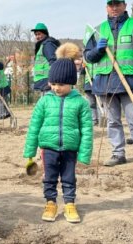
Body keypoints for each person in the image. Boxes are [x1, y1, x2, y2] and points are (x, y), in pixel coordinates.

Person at [23, 43, 93, 223]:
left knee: (69, 178)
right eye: (52, 83)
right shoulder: (44, 102)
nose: (56, 88)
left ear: (71, 82)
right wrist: (30, 151)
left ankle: (69, 204)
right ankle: (51, 202)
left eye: (60, 84)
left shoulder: (81, 103)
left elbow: (87, 129)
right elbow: (34, 127)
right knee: (50, 178)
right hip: (49, 148)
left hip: (70, 148)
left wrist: (84, 153)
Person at [84, 0, 133, 166]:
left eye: (117, 4)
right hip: (105, 83)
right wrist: (97, 50)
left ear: (124, 6)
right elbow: (88, 57)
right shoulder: (98, 30)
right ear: (106, 7)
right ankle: (118, 154)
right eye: (111, 5)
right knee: (112, 121)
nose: (114, 8)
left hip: (130, 81)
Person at [31, 23, 60, 94]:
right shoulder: (42, 45)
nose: (37, 37)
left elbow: (53, 61)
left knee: (49, 104)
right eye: (36, 34)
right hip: (43, 81)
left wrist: (51, 79)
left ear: (45, 34)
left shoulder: (47, 45)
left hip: (47, 81)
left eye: (39, 34)